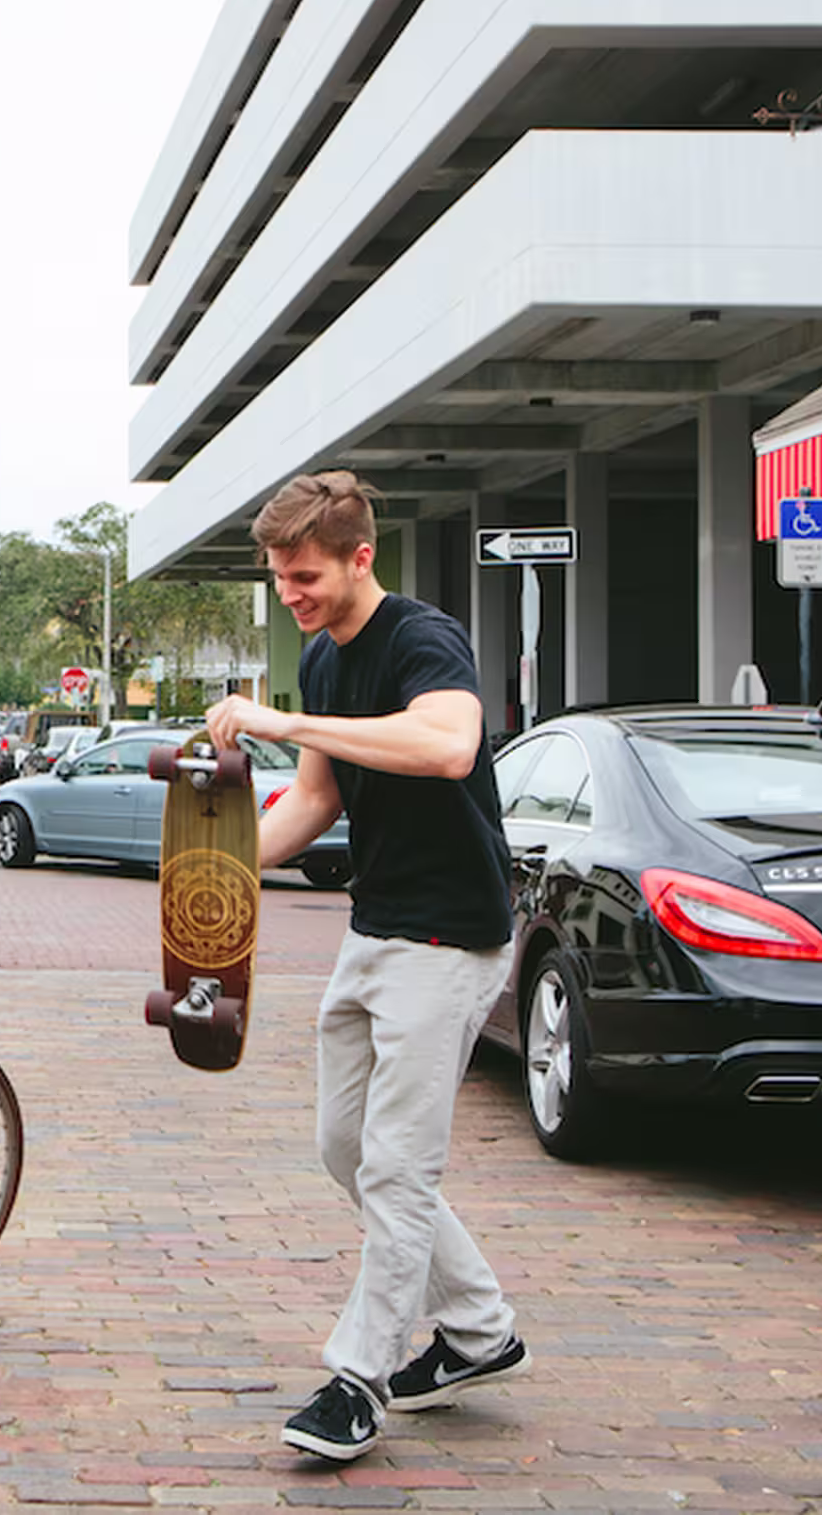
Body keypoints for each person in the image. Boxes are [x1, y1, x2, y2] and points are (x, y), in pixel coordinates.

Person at [202, 470, 526, 1462]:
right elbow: (313, 801)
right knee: (345, 1144)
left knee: (396, 1162)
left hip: (453, 933)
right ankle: (479, 1329)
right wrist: (211, 866)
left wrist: (281, 721)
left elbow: (446, 743)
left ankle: (359, 1375)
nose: (290, 594)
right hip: (375, 924)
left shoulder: (423, 638)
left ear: (358, 556)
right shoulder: (321, 656)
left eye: (303, 575)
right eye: (279, 579)